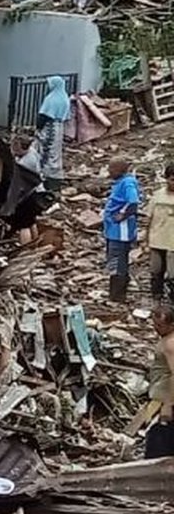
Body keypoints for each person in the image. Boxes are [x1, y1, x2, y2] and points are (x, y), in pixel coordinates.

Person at [103, 158, 142, 302]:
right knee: (116, 260)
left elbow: (133, 201)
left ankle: (117, 296)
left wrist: (123, 215)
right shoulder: (121, 182)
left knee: (118, 261)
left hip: (121, 231)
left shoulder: (128, 182)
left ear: (120, 169)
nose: (109, 171)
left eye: (111, 168)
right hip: (114, 230)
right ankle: (116, 294)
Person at [146, 306, 174, 458]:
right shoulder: (166, 340)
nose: (156, 328)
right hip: (162, 399)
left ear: (171, 325)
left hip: (166, 402)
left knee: (158, 446)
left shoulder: (170, 344)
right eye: (154, 324)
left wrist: (168, 405)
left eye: (160, 325)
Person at [36, 76, 71, 191]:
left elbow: (44, 115)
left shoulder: (51, 99)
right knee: (56, 152)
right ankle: (56, 175)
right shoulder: (64, 98)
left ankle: (46, 177)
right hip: (59, 126)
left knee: (46, 151)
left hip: (49, 127)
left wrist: (38, 128)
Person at [150, 164, 174, 301]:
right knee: (156, 272)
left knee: (172, 275)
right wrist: (145, 240)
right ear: (166, 179)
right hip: (157, 240)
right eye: (172, 179)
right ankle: (157, 300)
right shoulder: (158, 196)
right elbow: (149, 218)